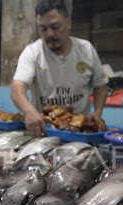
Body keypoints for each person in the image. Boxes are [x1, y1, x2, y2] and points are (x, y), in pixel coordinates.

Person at [11, 0, 108, 136]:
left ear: (68, 23)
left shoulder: (86, 49)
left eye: (55, 26)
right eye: (43, 29)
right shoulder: (33, 52)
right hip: (45, 131)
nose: (49, 34)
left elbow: (100, 86)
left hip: (80, 133)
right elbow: (17, 89)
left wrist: (97, 113)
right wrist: (30, 111)